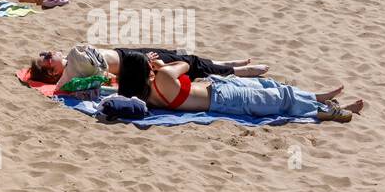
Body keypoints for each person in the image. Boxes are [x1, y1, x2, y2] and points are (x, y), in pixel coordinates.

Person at [142, 56, 362, 122]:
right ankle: (324, 111)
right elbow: (186, 65)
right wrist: (160, 65)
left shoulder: (149, 93)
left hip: (220, 89)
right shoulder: (163, 78)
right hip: (225, 98)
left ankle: (318, 98)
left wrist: (154, 67)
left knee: (271, 86)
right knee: (279, 99)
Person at [28, 43, 268, 87]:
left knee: (180, 56)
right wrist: (144, 63)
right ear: (52, 70)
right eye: (47, 57)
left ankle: (220, 63)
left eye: (45, 53)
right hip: (132, 63)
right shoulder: (69, 73)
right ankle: (237, 71)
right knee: (186, 63)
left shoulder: (71, 61)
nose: (49, 52)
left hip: (127, 53)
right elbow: (60, 87)